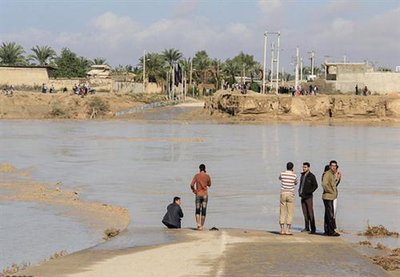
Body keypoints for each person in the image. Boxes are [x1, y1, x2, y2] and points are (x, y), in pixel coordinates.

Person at [190, 164, 211, 231]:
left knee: (197, 210)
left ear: (199, 169)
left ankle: (198, 225)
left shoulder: (196, 176)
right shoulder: (207, 176)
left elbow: (191, 185)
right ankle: (202, 226)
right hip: (205, 195)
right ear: (204, 169)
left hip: (198, 194)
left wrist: (194, 191)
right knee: (204, 211)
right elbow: (209, 184)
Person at [322, 160, 340, 236]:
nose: (334, 167)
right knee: (330, 215)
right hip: (328, 197)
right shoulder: (327, 174)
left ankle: (327, 230)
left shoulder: (332, 174)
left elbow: (333, 185)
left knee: (328, 214)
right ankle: (331, 231)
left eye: (335, 166)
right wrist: (331, 191)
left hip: (331, 197)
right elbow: (324, 184)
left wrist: (338, 179)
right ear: (329, 166)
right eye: (332, 166)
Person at [299, 162, 318, 234]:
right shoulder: (302, 175)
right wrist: (299, 192)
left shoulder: (312, 176)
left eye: (305, 167)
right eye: (303, 167)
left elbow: (315, 186)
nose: (304, 168)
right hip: (302, 196)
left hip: (309, 197)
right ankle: (307, 227)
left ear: (309, 168)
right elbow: (301, 185)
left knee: (310, 213)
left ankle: (313, 229)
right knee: (305, 213)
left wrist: (309, 192)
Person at [279, 162, 298, 235]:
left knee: (282, 211)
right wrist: (293, 173)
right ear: (292, 167)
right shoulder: (294, 175)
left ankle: (281, 230)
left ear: (286, 167)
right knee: (290, 212)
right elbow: (296, 183)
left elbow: (279, 178)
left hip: (283, 193)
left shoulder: (282, 173)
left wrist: (284, 173)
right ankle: (287, 230)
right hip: (290, 194)